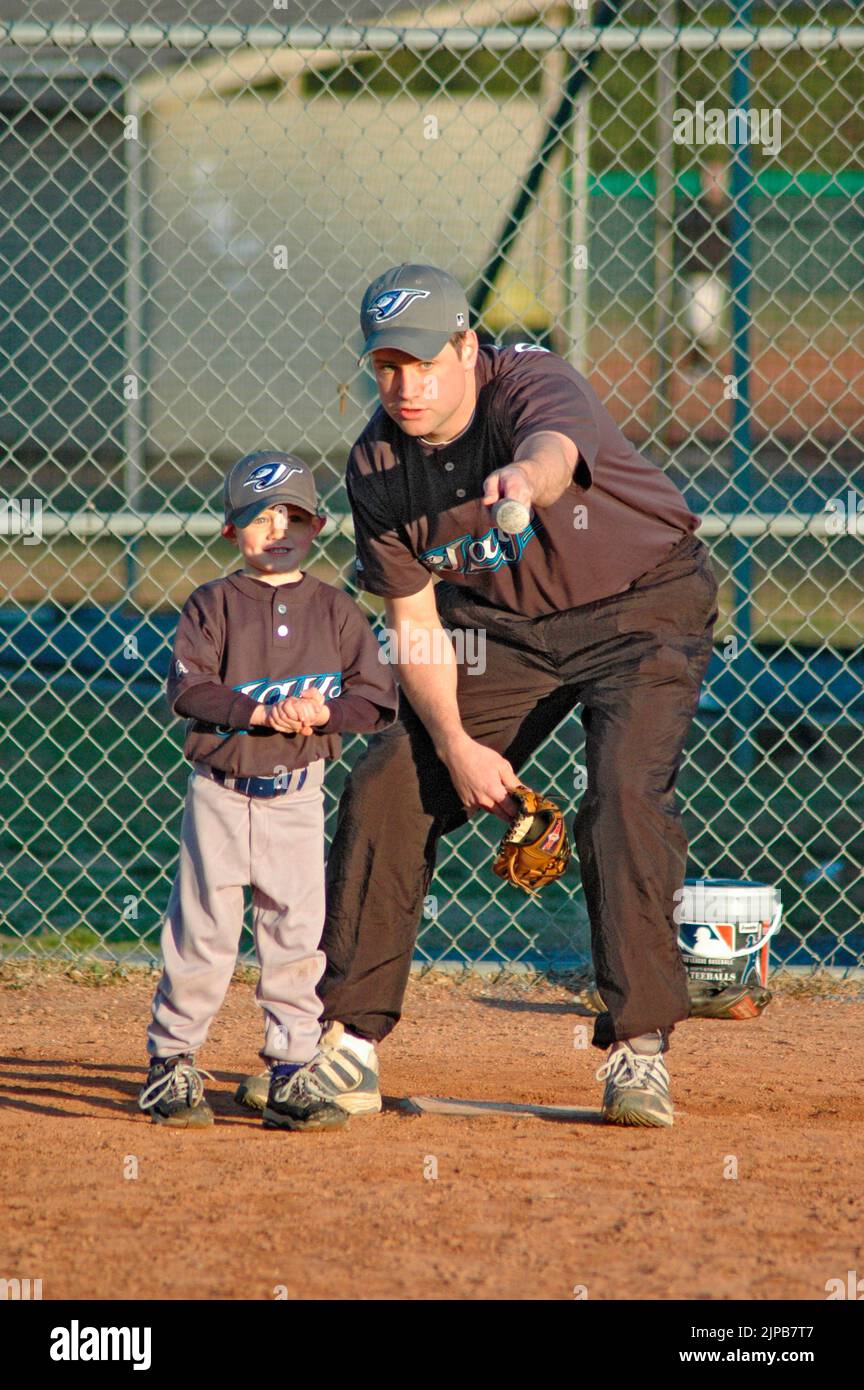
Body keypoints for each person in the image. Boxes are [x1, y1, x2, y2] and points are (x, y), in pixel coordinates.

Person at [240, 264, 719, 1130]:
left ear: (467, 347)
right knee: (390, 779)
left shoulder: (530, 381)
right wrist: (458, 746)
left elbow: (556, 446)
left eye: (425, 362)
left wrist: (524, 483)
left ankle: (638, 1052)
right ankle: (349, 1045)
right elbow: (415, 626)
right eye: (388, 365)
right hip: (498, 629)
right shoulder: (379, 465)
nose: (406, 386)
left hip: (644, 603)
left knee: (619, 796)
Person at [137, 451, 398, 1129]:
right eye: (260, 516)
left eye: (294, 516)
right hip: (219, 794)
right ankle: (172, 1062)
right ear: (232, 530)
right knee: (203, 933)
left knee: (296, 936)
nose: (278, 529)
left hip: (298, 797)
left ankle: (291, 1068)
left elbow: (375, 700)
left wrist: (322, 714)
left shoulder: (337, 613)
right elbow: (188, 689)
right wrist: (259, 713)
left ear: (318, 527)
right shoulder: (213, 605)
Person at [676, 160, 733, 374]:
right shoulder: (695, 208)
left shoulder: (730, 209)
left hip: (718, 273)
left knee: (710, 325)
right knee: (699, 321)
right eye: (710, 178)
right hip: (698, 272)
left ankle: (699, 363)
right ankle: (697, 363)